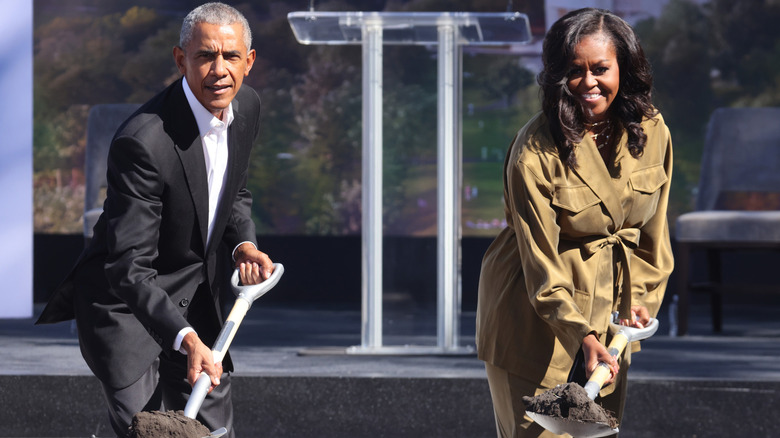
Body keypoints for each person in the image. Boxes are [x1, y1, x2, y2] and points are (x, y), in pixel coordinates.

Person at [36, 3, 274, 437]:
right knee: (150, 432)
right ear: (181, 60)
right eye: (205, 56)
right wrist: (185, 340)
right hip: (126, 307)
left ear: (249, 61)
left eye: (231, 56)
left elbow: (231, 191)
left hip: (196, 298)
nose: (219, 69)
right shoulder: (142, 142)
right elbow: (130, 267)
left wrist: (243, 244)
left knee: (215, 432)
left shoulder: (247, 108)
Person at [475, 8, 673, 438]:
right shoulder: (535, 151)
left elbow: (653, 235)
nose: (588, 82)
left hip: (609, 321)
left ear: (625, 68)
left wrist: (639, 300)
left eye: (600, 68)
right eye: (574, 71)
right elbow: (540, 266)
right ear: (555, 75)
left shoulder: (653, 131)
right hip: (534, 319)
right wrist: (582, 335)